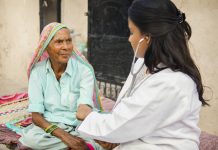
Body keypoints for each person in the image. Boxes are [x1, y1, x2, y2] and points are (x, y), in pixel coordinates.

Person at [76, 0, 209, 149]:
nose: (129, 38)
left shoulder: (172, 82)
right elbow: (133, 116)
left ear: (147, 38)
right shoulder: (143, 64)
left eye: (132, 32)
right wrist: (116, 138)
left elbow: (121, 124)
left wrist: (88, 115)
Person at [19, 22, 104, 150]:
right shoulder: (37, 72)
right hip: (52, 125)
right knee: (31, 140)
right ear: (46, 46)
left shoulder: (84, 71)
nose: (66, 47)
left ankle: (83, 143)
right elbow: (36, 116)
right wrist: (66, 138)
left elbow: (84, 111)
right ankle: (84, 145)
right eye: (59, 42)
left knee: (107, 133)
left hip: (80, 123)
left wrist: (94, 132)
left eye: (68, 41)